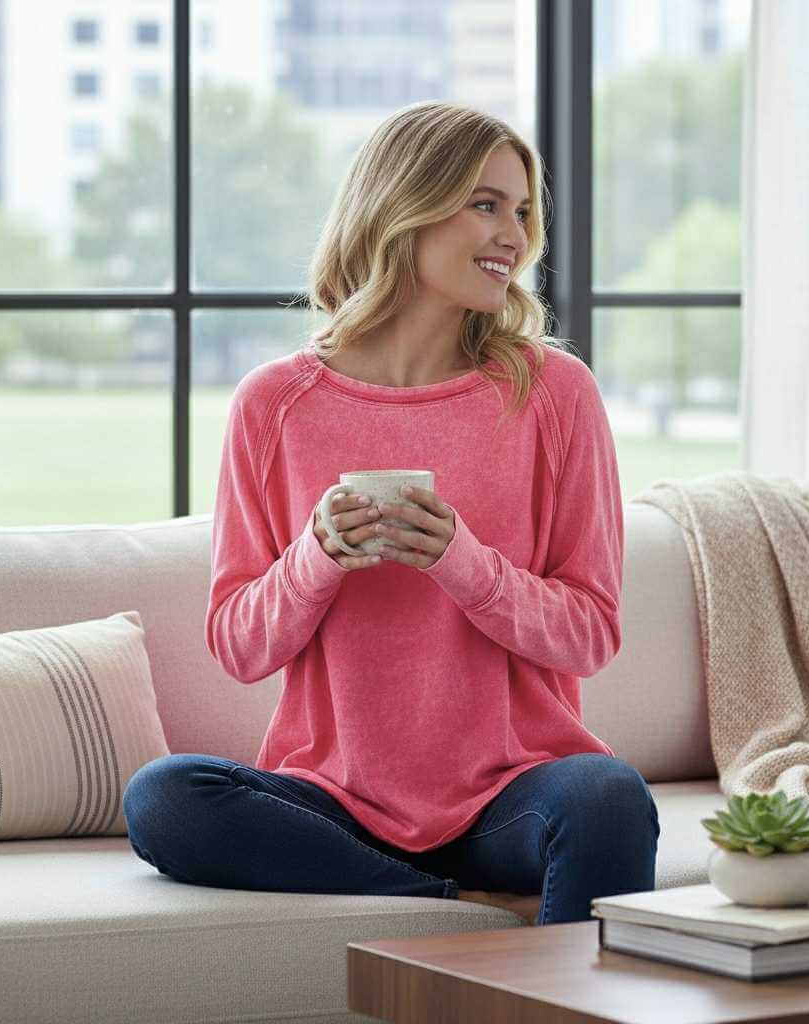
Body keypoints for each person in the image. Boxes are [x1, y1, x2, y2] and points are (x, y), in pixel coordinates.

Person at [122, 101, 660, 925]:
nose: (514, 237)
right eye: (485, 205)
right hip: (334, 800)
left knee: (608, 797)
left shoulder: (555, 393)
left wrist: (462, 563)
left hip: (513, 795)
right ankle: (455, 907)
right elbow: (239, 644)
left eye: (522, 212)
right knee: (164, 797)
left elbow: (590, 634)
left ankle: (539, 981)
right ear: (404, 207)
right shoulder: (275, 404)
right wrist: (316, 558)